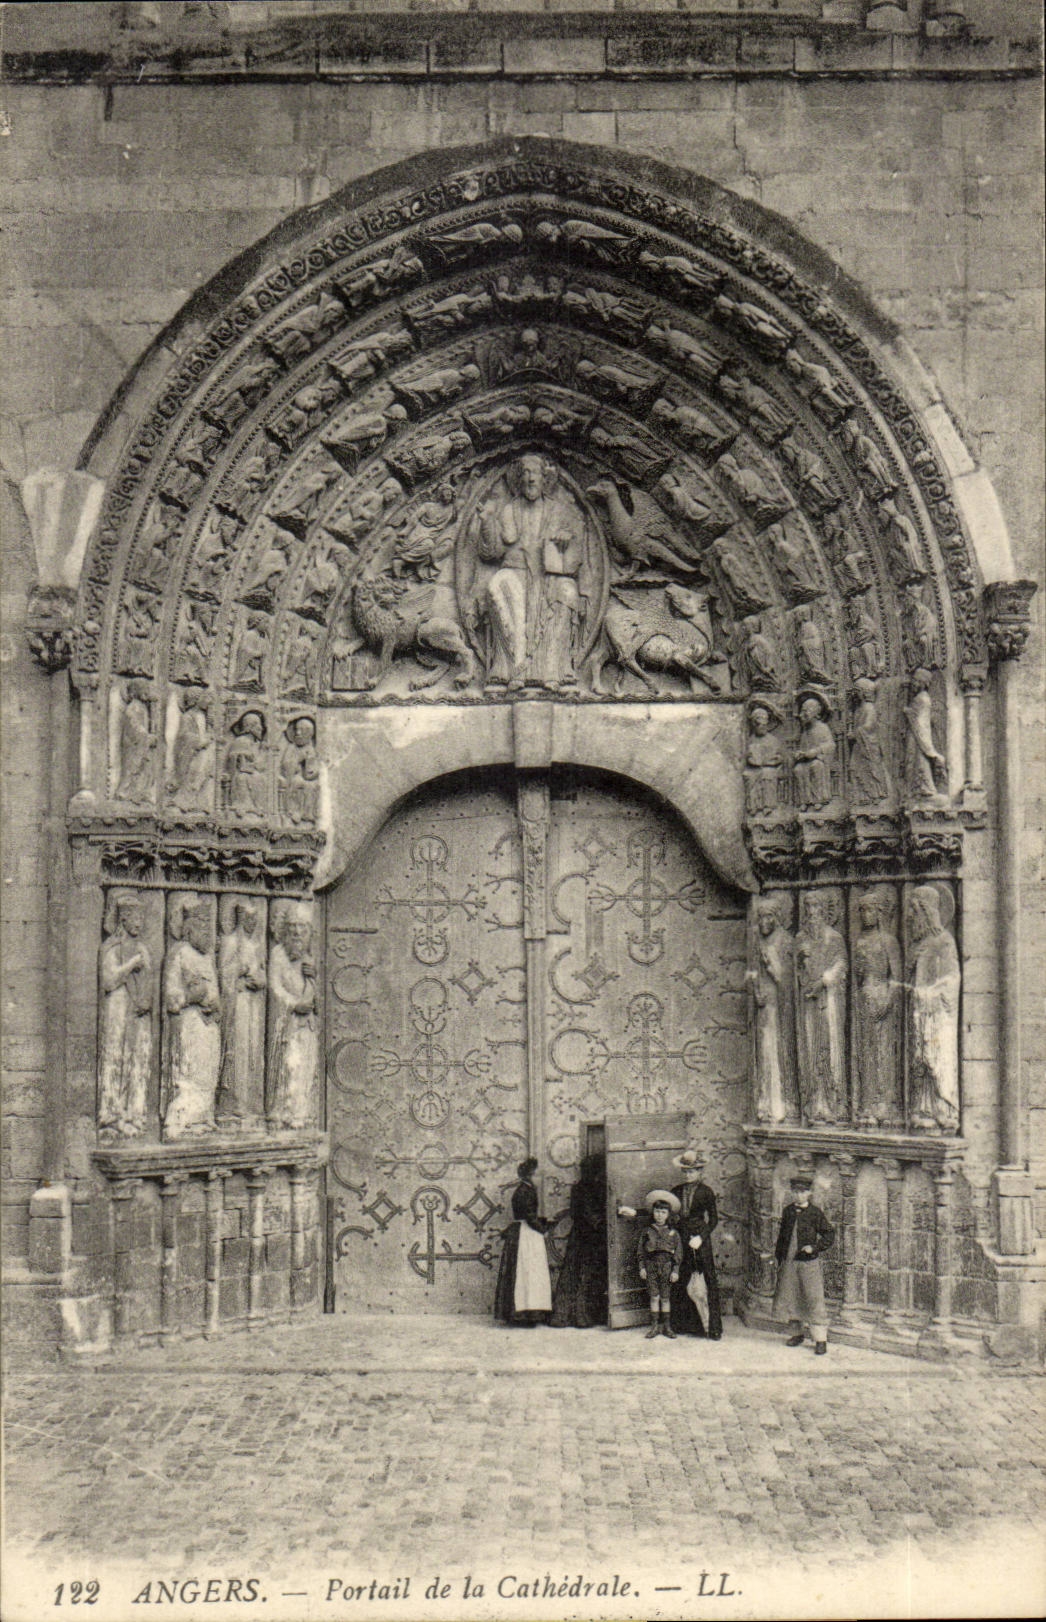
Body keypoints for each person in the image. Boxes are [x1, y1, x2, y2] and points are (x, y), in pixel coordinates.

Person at [773, 1172, 835, 1354]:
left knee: (813, 1298)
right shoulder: (788, 1211)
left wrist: (814, 1248)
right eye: (796, 1192)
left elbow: (829, 1234)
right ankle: (796, 1333)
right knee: (791, 1296)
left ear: (809, 1193)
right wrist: (779, 1259)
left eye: (803, 1192)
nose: (799, 1195)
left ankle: (820, 1339)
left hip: (808, 1263)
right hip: (789, 1262)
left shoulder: (815, 1213)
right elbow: (782, 1236)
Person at [670, 1150, 723, 1340]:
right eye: (685, 1172)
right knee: (682, 1275)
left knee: (706, 1278)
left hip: (700, 1239)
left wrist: (701, 1237)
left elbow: (714, 1219)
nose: (688, 1175)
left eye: (692, 1171)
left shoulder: (706, 1192)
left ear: (700, 1172)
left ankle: (712, 1328)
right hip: (682, 1236)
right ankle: (685, 1324)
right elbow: (667, 1212)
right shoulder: (676, 1191)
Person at [551, 1153, 607, 1328]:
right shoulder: (596, 1187)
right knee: (586, 1274)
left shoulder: (578, 1187)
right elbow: (591, 1215)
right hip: (591, 1236)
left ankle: (566, 1315)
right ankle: (582, 1317)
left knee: (573, 1273)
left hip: (578, 1235)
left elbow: (575, 1213)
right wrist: (602, 1223)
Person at [494, 1158, 552, 1326]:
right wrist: (543, 1230)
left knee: (526, 1272)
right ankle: (527, 1313)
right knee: (528, 1272)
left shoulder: (523, 1189)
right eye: (534, 1173)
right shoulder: (525, 1191)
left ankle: (526, 1312)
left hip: (525, 1231)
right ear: (529, 1175)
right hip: (527, 1233)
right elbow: (529, 1216)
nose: (535, 1176)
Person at [636, 1191, 683, 1339]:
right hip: (651, 1267)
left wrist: (675, 1270)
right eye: (657, 1211)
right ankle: (655, 1326)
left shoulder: (674, 1233)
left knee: (665, 1298)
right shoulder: (647, 1231)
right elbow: (640, 1252)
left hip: (667, 1268)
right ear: (653, 1212)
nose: (660, 1215)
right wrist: (642, 1267)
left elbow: (678, 1254)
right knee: (654, 1297)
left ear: (668, 1214)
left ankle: (667, 1327)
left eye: (663, 1212)